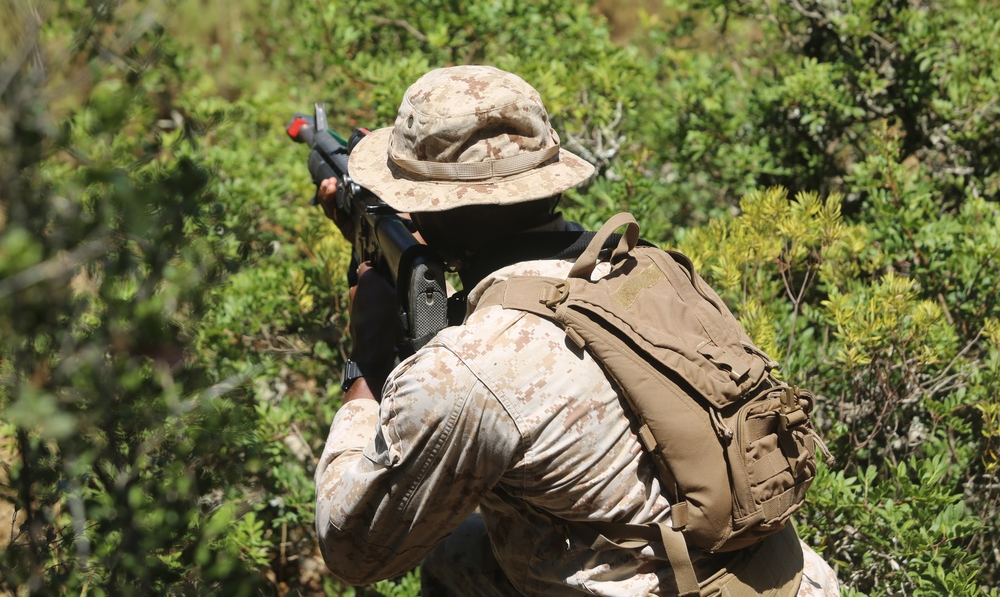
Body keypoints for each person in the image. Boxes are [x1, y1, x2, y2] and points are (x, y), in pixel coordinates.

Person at [313, 65, 840, 596]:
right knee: (460, 556)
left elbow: (353, 548)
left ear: (430, 208)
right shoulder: (647, 269)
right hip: (785, 578)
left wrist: (370, 364)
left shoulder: (469, 368)